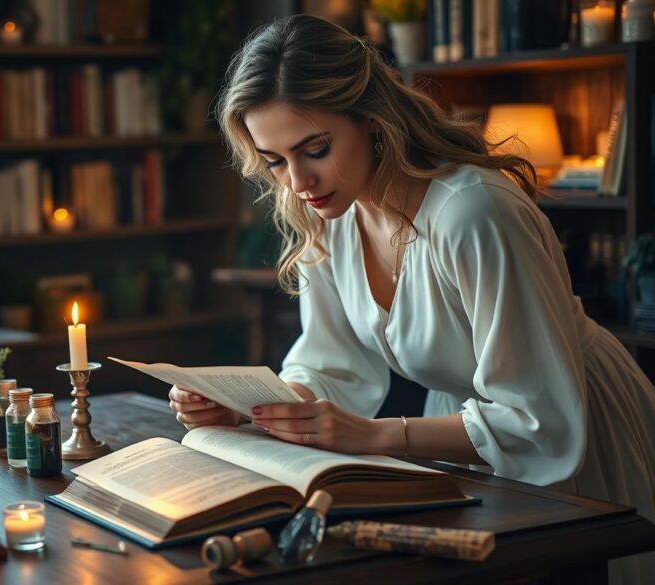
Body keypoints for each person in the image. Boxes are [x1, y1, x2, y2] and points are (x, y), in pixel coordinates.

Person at [167, 15, 655, 583]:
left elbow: (537, 417)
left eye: (315, 149)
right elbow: (331, 367)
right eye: (274, 161)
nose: (297, 181)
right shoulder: (330, 215)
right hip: (462, 440)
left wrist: (380, 436)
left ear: (372, 122)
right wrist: (248, 408)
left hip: (574, 427)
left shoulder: (473, 213)